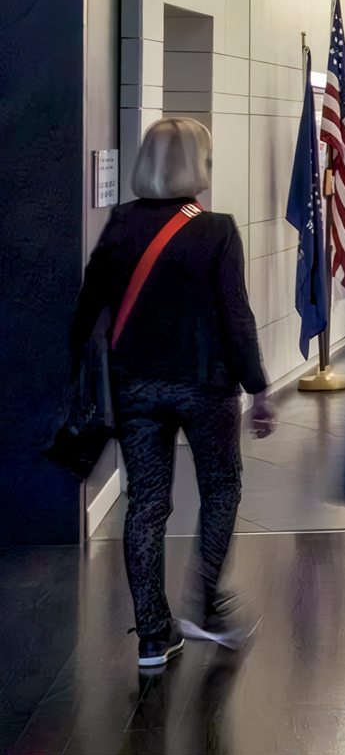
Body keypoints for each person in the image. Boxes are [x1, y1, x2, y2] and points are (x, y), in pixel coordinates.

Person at [68, 117, 276, 668]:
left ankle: (153, 638)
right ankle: (206, 606)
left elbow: (88, 307)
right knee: (221, 489)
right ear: (197, 165)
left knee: (147, 505)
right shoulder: (217, 230)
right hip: (205, 388)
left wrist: (81, 376)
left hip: (135, 388)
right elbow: (237, 317)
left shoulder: (121, 225)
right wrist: (259, 388)